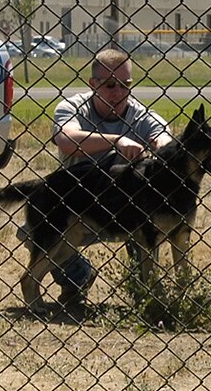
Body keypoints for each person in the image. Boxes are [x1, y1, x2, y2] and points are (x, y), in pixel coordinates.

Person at [32, 47, 177, 294]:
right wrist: (116, 140)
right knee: (29, 233)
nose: (119, 92)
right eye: (110, 85)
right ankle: (78, 277)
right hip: (76, 209)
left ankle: (143, 287)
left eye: (125, 84)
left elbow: (163, 137)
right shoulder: (73, 107)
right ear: (93, 84)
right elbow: (67, 139)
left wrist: (162, 146)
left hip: (123, 212)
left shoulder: (141, 115)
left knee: (145, 213)